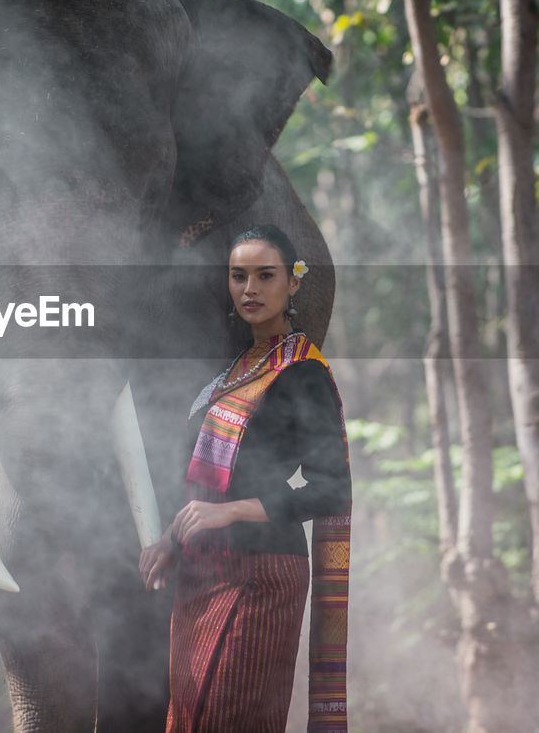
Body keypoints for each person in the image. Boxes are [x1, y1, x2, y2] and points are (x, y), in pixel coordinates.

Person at [140, 224, 352, 732]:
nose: (250, 289)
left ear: (293, 284)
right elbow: (207, 481)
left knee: (230, 719)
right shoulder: (236, 368)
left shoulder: (303, 372)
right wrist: (175, 537)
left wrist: (231, 511)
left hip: (261, 575)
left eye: (265, 275)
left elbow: (331, 488)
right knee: (191, 720)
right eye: (239, 277)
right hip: (203, 573)